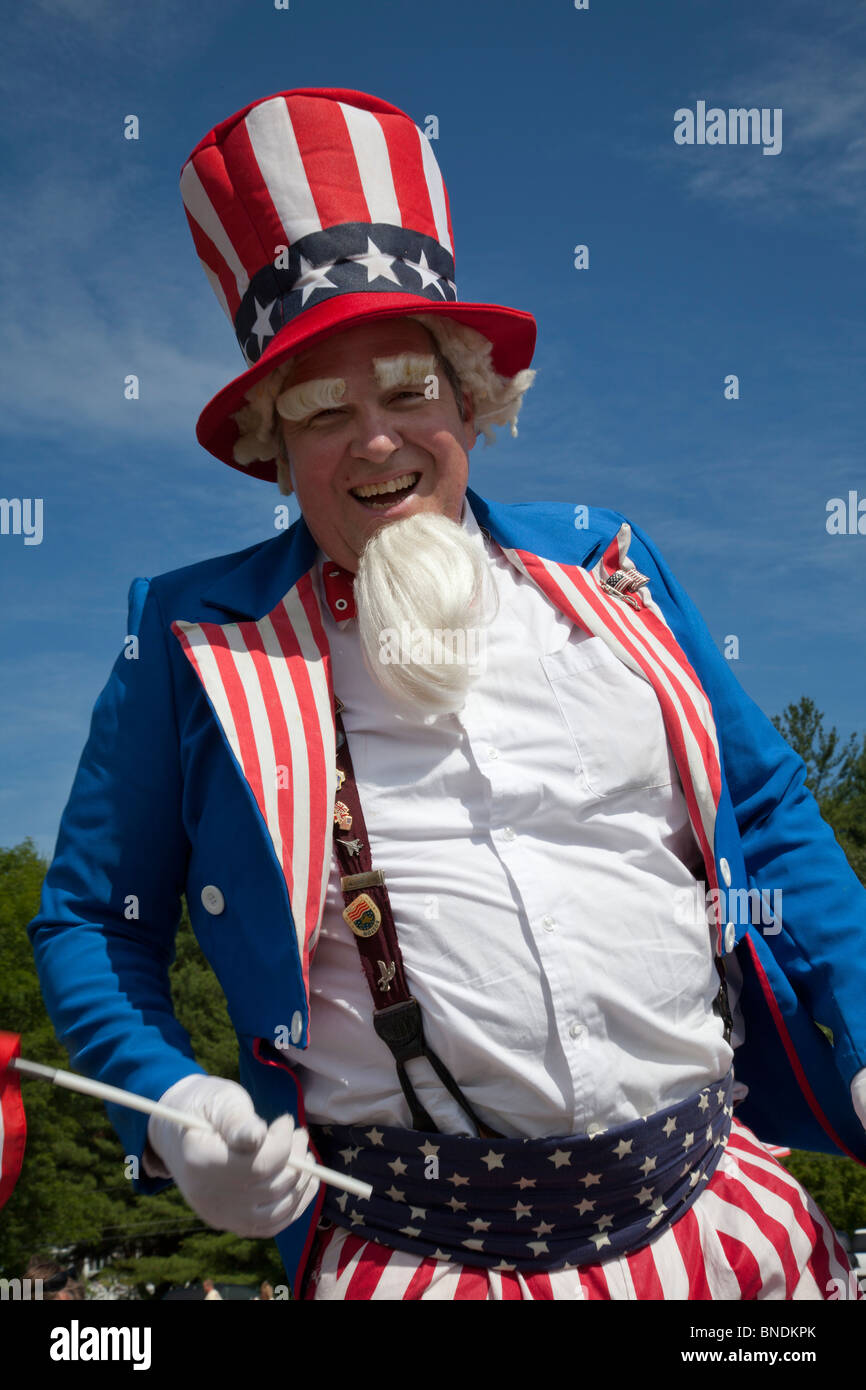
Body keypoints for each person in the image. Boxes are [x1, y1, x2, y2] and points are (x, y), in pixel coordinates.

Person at [28, 86, 866, 1302]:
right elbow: (94, 921)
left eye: (408, 390)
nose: (375, 440)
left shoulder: (612, 567)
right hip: (416, 1256)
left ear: (473, 399)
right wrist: (170, 1107)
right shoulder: (191, 637)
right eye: (322, 408)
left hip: (724, 1216)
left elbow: (769, 810)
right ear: (270, 443)